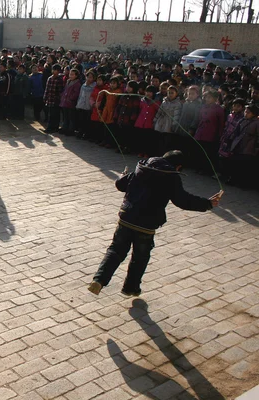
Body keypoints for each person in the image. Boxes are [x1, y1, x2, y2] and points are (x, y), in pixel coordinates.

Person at [88, 150, 221, 297]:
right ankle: (130, 288)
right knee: (140, 257)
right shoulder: (171, 176)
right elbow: (182, 200)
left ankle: (99, 280)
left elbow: (121, 185)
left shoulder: (142, 167)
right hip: (147, 224)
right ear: (178, 166)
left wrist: (122, 176)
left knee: (115, 251)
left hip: (126, 217)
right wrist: (207, 204)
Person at [59, 68, 82, 135]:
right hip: (64, 101)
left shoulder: (77, 83)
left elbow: (76, 94)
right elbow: (65, 90)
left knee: (71, 117)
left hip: (71, 103)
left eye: (72, 74)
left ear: (76, 75)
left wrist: (70, 98)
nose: (70, 76)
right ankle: (64, 128)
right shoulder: (68, 81)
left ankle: (70, 130)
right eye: (70, 74)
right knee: (65, 117)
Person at [42, 64, 64, 133]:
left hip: (56, 100)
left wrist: (58, 98)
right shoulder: (50, 78)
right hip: (49, 99)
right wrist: (45, 97)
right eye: (53, 70)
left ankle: (55, 127)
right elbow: (47, 89)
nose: (54, 71)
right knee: (50, 114)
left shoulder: (59, 79)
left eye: (55, 70)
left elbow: (60, 91)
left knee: (55, 114)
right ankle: (50, 127)